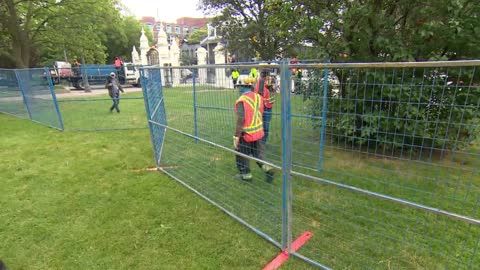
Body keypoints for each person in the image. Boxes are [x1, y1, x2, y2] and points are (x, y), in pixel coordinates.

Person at [234, 84, 275, 182]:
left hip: (246, 134)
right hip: (258, 133)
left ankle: (246, 176)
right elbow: (266, 106)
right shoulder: (258, 97)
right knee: (258, 155)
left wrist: (236, 136)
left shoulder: (242, 100)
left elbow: (241, 119)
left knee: (241, 154)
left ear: (242, 87)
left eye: (239, 87)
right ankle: (268, 169)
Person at [253, 68, 275, 144]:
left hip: (268, 106)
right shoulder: (258, 81)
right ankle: (258, 142)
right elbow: (256, 93)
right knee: (259, 126)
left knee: (265, 126)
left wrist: (272, 88)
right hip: (260, 107)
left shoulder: (270, 81)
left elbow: (272, 93)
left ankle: (262, 143)